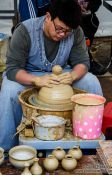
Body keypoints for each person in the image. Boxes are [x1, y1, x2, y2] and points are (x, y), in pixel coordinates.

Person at [0, 0, 103, 151]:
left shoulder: (76, 32)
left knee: (91, 81)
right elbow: (13, 69)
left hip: (60, 74)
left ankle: (90, 142)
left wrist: (73, 75)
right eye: (59, 29)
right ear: (48, 17)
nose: (62, 34)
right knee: (9, 89)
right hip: (29, 75)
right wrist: (36, 80)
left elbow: (83, 62)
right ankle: (8, 149)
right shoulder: (25, 30)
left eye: (67, 31)